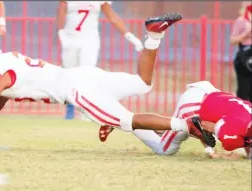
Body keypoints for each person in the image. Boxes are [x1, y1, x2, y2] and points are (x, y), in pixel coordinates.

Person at [0, 13, 205, 140]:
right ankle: (153, 36)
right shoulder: (7, 65)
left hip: (76, 91)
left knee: (126, 121)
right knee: (142, 84)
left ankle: (185, 125)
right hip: (83, 74)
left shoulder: (1, 73)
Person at [109, 81, 251, 160]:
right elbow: (202, 124)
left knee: (174, 128)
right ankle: (120, 118)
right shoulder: (238, 129)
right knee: (165, 149)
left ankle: (123, 118)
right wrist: (212, 152)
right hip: (196, 104)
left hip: (207, 92)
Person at [56, 1, 144, 120]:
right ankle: (70, 110)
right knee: (70, 75)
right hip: (71, 39)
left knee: (87, 75)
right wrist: (61, 33)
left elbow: (112, 17)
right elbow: (61, 12)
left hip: (90, 40)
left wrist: (129, 35)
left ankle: (85, 112)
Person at [230, 1, 252, 102]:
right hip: (245, 57)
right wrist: (246, 33)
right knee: (243, 90)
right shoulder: (241, 20)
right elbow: (233, 40)